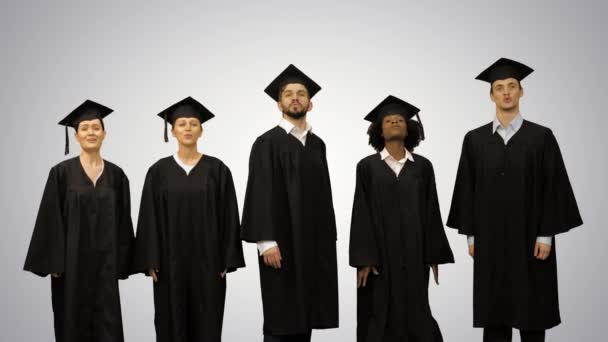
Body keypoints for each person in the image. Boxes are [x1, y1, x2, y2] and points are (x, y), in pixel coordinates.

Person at [446, 58, 583, 342]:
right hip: (490, 240)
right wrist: (472, 236)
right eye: (499, 87)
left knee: (532, 311)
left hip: (530, 240)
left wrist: (546, 235)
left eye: (511, 86)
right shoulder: (475, 139)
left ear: (521, 92)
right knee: (494, 313)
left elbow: (553, 187)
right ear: (491, 95)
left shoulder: (541, 137)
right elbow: (466, 188)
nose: (506, 92)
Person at [133, 96, 245, 342]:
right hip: (168, 263)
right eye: (181, 124)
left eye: (193, 123)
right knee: (170, 321)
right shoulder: (158, 171)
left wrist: (227, 259)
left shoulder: (217, 169)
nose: (187, 128)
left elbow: (229, 215)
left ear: (201, 130)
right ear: (172, 130)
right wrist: (150, 259)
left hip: (209, 264)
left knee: (208, 321)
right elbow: (148, 217)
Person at [241, 64, 339, 342]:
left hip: (313, 245)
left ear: (311, 103)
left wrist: (327, 240)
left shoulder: (317, 144)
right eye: (288, 94)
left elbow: (325, 195)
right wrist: (266, 241)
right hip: (280, 245)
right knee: (281, 317)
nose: (295, 98)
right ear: (278, 103)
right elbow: (259, 191)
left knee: (305, 314)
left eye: (301, 93)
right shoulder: (266, 142)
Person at [24, 99, 135, 342]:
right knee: (71, 324)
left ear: (105, 134)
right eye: (84, 128)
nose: (91, 132)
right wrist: (53, 263)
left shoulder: (117, 175)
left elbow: (124, 222)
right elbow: (49, 218)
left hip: (106, 266)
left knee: (109, 325)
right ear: (76, 136)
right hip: (70, 267)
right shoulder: (61, 173)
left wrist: (125, 261)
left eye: (96, 127)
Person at [350, 95, 454, 342]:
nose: (395, 122)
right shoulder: (367, 167)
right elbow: (360, 213)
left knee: (417, 312)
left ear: (410, 129)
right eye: (388, 121)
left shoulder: (423, 167)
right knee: (379, 314)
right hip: (380, 259)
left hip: (414, 255)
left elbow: (432, 210)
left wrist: (433, 253)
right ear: (379, 130)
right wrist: (364, 258)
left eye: (400, 120)